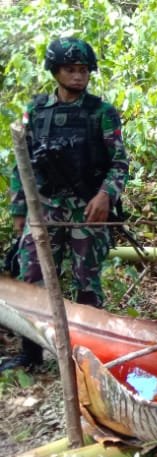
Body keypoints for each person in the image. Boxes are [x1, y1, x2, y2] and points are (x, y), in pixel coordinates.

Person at [0, 37, 129, 372]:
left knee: (87, 281)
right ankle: (31, 353)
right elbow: (22, 163)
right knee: (32, 278)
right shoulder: (37, 111)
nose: (78, 76)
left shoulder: (102, 112)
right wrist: (19, 211)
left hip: (87, 207)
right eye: (70, 70)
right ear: (55, 71)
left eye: (83, 70)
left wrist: (105, 196)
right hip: (44, 207)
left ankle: (91, 355)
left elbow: (119, 163)